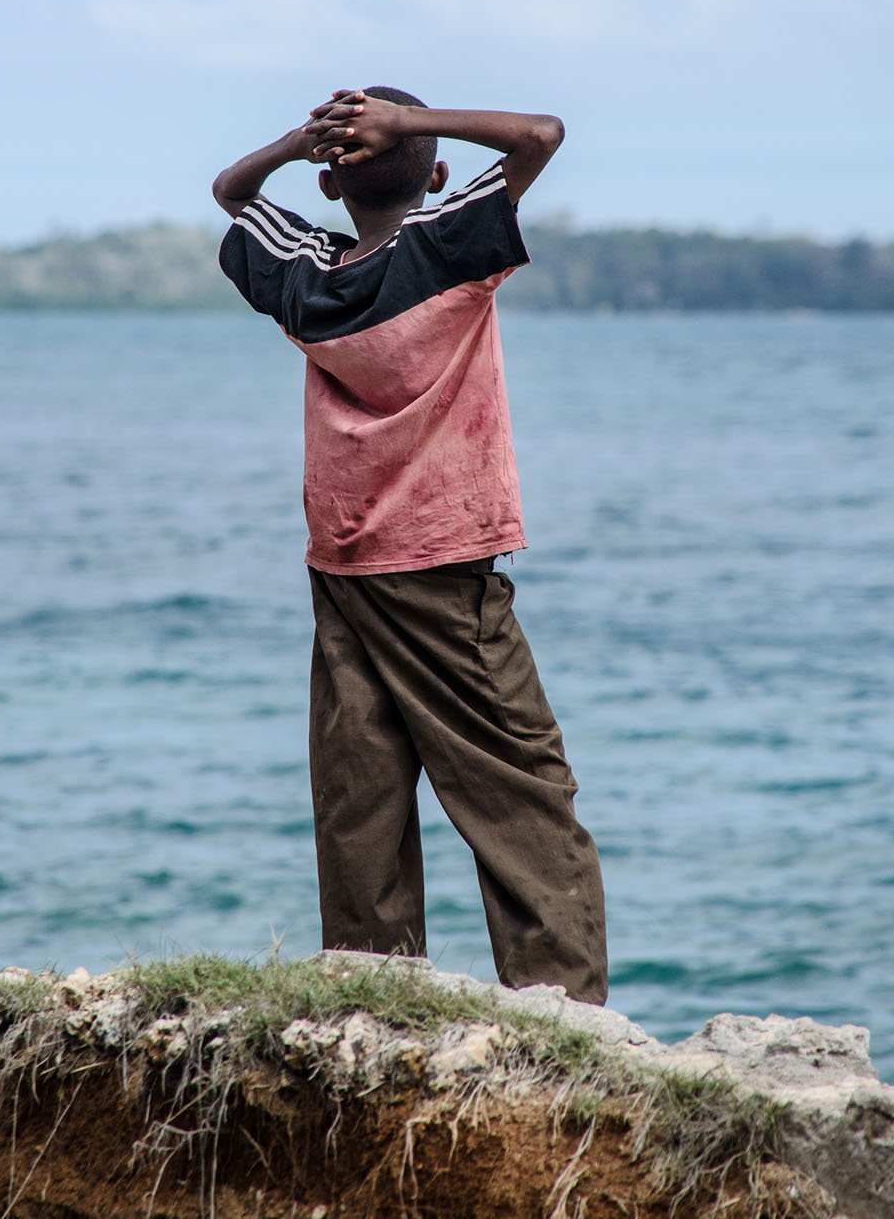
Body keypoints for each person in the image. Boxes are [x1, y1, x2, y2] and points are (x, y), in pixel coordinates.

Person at [211, 87, 609, 1004]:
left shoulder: (307, 276)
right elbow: (540, 135)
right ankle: (562, 1007)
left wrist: (300, 141)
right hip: (444, 565)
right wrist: (406, 127)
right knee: (520, 792)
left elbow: (232, 194)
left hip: (342, 564)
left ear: (328, 184)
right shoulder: (444, 245)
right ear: (436, 177)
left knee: (363, 794)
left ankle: (373, 994)